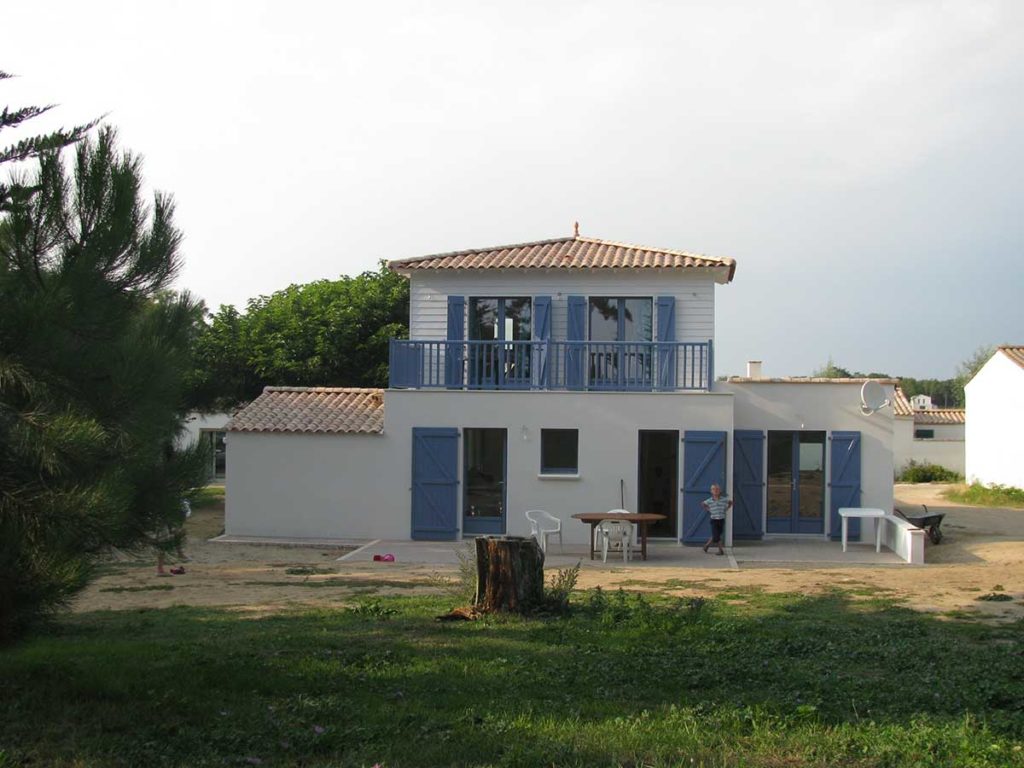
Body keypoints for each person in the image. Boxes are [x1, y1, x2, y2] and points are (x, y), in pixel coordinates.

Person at [701, 484, 732, 555]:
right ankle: (720, 550)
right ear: (711, 491)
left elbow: (730, 502)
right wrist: (708, 509)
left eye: (717, 489)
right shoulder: (709, 500)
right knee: (716, 535)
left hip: (721, 520)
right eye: (714, 489)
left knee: (717, 535)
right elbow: (703, 503)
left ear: (720, 491)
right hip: (714, 520)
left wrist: (727, 508)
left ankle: (706, 546)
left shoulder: (724, 499)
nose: (716, 491)